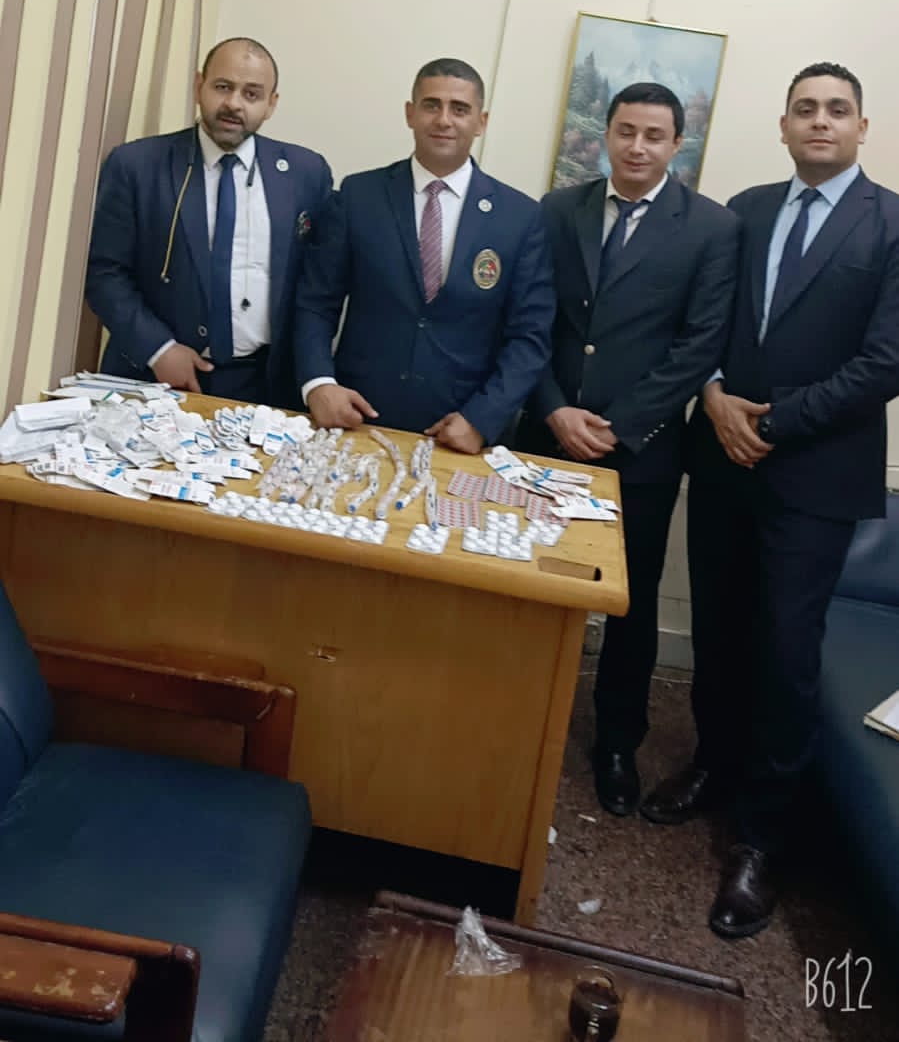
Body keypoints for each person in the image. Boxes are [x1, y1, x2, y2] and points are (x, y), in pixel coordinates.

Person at [642, 63, 899, 939]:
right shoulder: (743, 211)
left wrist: (775, 422)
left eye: (836, 110)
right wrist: (713, 395)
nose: (819, 121)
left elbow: (884, 362)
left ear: (861, 127)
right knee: (717, 630)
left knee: (787, 653)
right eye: (804, 109)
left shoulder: (890, 223)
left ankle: (761, 837)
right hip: (721, 458)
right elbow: (705, 323)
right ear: (782, 126)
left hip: (814, 475)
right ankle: (712, 764)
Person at [518, 82, 739, 817]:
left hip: (638, 453)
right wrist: (554, 408)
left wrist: (616, 425)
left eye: (653, 135)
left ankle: (616, 742)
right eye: (625, 131)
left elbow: (698, 345)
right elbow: (531, 321)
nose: (637, 147)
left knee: (629, 606)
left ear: (677, 144)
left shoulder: (711, 229)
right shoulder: (556, 210)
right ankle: (514, 711)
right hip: (545, 438)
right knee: (528, 585)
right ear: (607, 134)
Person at [295, 57, 554, 451]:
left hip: (461, 430)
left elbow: (529, 337)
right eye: (432, 105)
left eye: (460, 109)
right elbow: (316, 303)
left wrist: (483, 418)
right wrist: (318, 383)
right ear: (410, 113)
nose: (444, 120)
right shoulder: (358, 196)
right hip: (356, 418)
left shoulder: (520, 217)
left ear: (481, 122)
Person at [86, 36, 332, 404]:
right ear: (198, 85)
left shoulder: (306, 173)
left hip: (266, 385)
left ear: (271, 104)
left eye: (252, 94)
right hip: (156, 377)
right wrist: (158, 349)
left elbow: (319, 285)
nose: (234, 103)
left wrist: (316, 378)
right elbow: (104, 272)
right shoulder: (137, 165)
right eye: (222, 87)